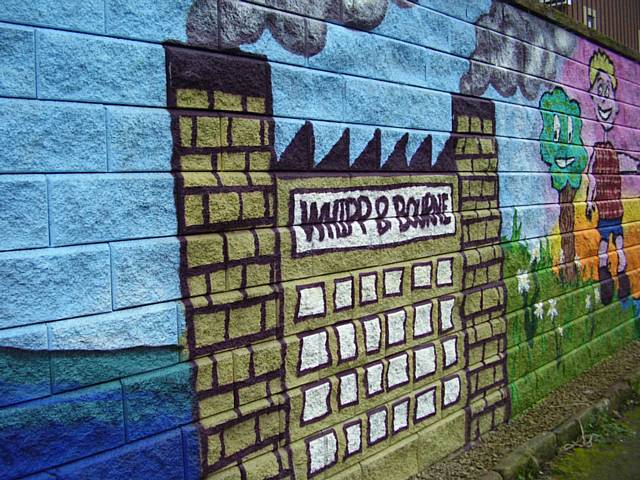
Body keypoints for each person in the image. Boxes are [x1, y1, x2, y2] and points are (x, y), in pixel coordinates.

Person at [585, 50, 639, 304]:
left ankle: (613, 273)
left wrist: (589, 201)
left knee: (611, 242)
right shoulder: (599, 150)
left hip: (611, 208)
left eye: (610, 92)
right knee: (613, 241)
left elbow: (625, 164)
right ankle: (613, 273)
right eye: (600, 91)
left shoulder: (608, 151)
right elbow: (591, 176)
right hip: (611, 208)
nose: (606, 101)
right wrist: (588, 200)